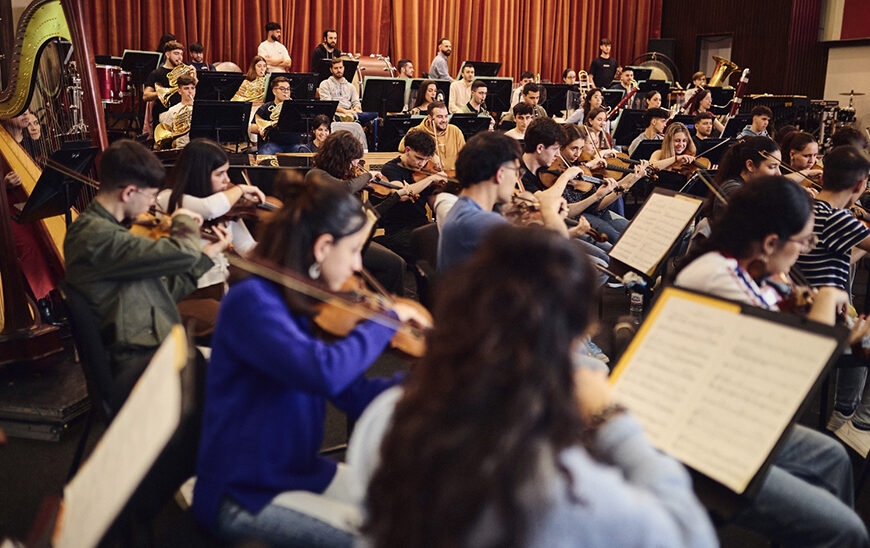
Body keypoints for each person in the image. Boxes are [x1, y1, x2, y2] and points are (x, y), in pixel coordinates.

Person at [349, 225, 717, 548]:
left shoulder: (387, 415)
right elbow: (691, 536)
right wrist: (614, 421)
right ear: (574, 339)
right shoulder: (565, 486)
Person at [192, 178, 430, 547]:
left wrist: (427, 385)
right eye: (353, 251)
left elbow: (353, 393)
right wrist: (390, 319)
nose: (357, 266)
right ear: (321, 247)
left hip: (299, 472)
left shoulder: (306, 304)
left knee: (413, 515)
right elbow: (324, 372)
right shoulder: (252, 302)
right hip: (243, 491)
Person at [675, 176, 870, 548]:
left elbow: (777, 323)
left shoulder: (741, 268)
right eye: (803, 242)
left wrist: (806, 308)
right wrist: (828, 298)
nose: (804, 250)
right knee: (848, 531)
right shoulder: (716, 276)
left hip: (730, 415)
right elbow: (796, 365)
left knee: (831, 456)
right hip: (704, 437)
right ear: (769, 243)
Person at [63, 140, 227, 403]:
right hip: (137, 363)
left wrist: (206, 255)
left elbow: (162, 292)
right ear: (128, 193)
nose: (153, 204)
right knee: (243, 379)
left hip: (155, 347)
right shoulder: (95, 236)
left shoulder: (110, 232)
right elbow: (183, 253)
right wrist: (183, 218)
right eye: (151, 196)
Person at [794, 147, 870, 456]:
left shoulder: (810, 209)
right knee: (864, 331)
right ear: (860, 186)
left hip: (805, 306)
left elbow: (841, 256)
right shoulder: (838, 218)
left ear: (822, 176)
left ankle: (845, 410)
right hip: (827, 318)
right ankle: (855, 418)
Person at [156, 139, 265, 337]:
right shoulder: (169, 199)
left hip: (217, 294)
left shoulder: (226, 210)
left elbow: (248, 248)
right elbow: (209, 208)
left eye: (227, 172)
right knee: (245, 327)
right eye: (219, 174)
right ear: (199, 175)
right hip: (184, 297)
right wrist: (240, 189)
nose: (226, 180)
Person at [437, 131, 568, 272]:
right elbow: (560, 257)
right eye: (516, 171)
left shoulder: (463, 209)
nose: (517, 178)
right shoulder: (478, 220)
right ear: (500, 174)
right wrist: (548, 210)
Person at [304, 130, 410, 295]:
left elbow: (369, 215)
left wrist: (394, 197)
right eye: (353, 160)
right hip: (330, 243)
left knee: (397, 263)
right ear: (339, 157)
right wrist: (368, 175)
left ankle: (380, 308)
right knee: (393, 264)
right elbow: (345, 189)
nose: (355, 165)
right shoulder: (316, 175)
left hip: (350, 239)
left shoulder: (345, 179)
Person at [541, 123, 644, 242]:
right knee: (616, 238)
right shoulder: (556, 172)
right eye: (573, 148)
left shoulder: (579, 168)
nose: (577, 154)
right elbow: (577, 208)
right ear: (561, 147)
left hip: (596, 212)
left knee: (632, 231)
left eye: (580, 148)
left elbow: (597, 206)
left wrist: (631, 179)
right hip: (579, 217)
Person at [374, 129, 448, 262]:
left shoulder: (426, 170)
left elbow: (433, 203)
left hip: (422, 224)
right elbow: (401, 195)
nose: (422, 164)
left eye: (426, 160)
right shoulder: (390, 168)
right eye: (419, 158)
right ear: (407, 150)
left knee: (449, 242)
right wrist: (431, 179)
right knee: (428, 250)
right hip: (398, 230)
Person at [399, 101, 466, 171]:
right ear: (430, 118)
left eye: (446, 116)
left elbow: (465, 155)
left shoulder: (455, 130)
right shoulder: (417, 130)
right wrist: (432, 154)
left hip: (453, 175)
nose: (444, 120)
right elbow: (402, 147)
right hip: (428, 175)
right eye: (440, 117)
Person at [143, 40, 195, 121]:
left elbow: (193, 91)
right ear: (167, 54)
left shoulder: (184, 72)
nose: (180, 57)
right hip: (166, 113)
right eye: (176, 54)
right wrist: (163, 92)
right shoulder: (156, 73)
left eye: (181, 54)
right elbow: (146, 96)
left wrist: (194, 75)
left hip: (183, 111)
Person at [318, 58, 377, 126]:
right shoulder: (325, 84)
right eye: (336, 68)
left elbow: (356, 102)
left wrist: (357, 108)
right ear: (331, 70)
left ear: (344, 68)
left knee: (375, 114)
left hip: (351, 112)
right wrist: (345, 111)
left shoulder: (350, 86)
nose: (339, 70)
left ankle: (356, 118)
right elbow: (328, 105)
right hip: (335, 114)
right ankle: (357, 119)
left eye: (340, 67)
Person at [253, 76, 298, 154]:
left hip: (293, 143)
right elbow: (252, 128)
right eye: (282, 89)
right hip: (272, 143)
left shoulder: (296, 107)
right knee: (267, 152)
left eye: (288, 89)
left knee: (303, 150)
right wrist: (267, 127)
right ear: (274, 91)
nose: (286, 92)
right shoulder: (265, 108)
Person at [155, 74, 196, 149]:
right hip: (180, 148)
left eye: (192, 88)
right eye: (186, 88)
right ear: (180, 91)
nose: (190, 92)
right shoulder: (173, 110)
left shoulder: (199, 109)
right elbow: (166, 131)